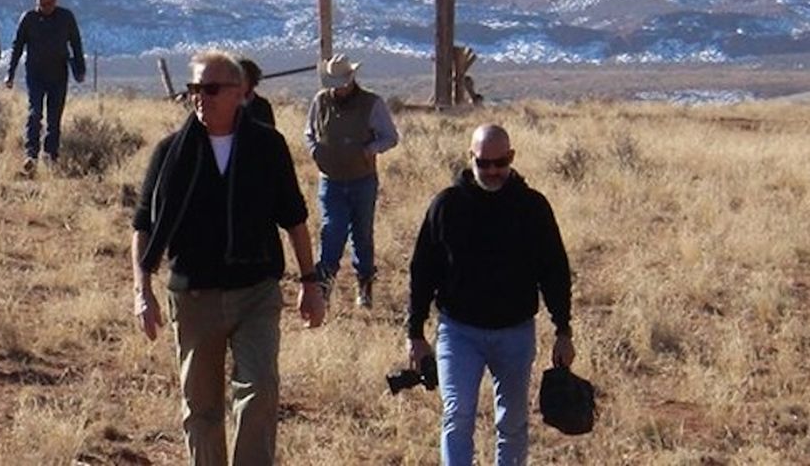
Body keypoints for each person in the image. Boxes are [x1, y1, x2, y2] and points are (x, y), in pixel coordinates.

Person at [132, 51, 326, 465]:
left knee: (259, 392)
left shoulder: (267, 147)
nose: (201, 98)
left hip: (256, 293)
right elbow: (143, 225)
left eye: (212, 89)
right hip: (194, 295)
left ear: (241, 94)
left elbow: (294, 219)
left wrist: (311, 282)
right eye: (195, 89)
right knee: (201, 409)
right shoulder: (170, 153)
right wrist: (142, 290)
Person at [406, 124, 574, 466]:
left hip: (515, 332)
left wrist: (563, 329)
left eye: (500, 162)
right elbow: (422, 270)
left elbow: (554, 270)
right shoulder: (446, 206)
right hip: (458, 332)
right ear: (471, 159)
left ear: (511, 158)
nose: (492, 171)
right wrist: (415, 333)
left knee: (512, 423)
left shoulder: (532, 208)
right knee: (457, 417)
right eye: (484, 163)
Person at [303, 53, 399, 309]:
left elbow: (390, 137)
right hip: (330, 180)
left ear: (351, 79)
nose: (337, 88)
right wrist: (316, 151)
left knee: (362, 235)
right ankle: (324, 288)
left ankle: (364, 286)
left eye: (340, 82)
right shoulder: (320, 101)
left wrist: (369, 149)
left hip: (362, 180)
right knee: (331, 231)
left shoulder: (372, 104)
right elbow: (309, 132)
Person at [3, 0, 87, 173]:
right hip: (35, 74)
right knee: (35, 113)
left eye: (52, 2)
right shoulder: (29, 19)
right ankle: (31, 155)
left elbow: (75, 44)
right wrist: (11, 73)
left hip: (58, 74)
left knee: (54, 118)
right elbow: (17, 46)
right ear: (37, 2)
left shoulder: (66, 17)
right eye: (44, 3)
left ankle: (51, 156)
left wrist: (79, 70)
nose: (48, 7)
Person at [238, 58, 277, 130]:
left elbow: (270, 134)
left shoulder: (263, 106)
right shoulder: (229, 105)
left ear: (251, 81)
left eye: (243, 78)